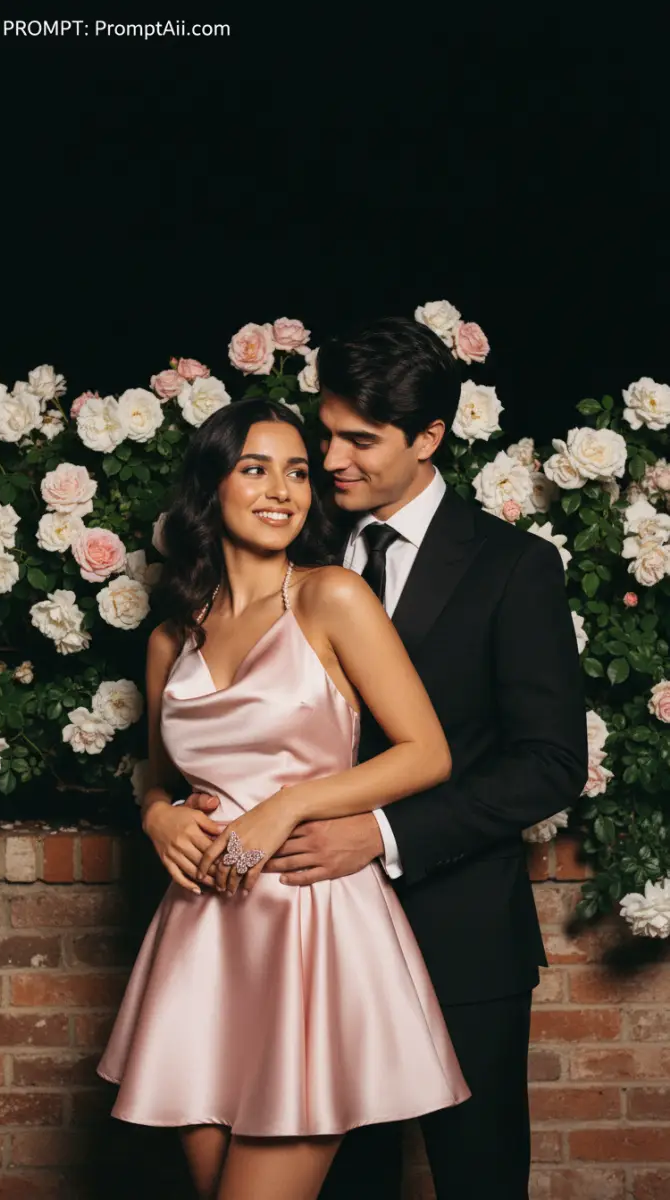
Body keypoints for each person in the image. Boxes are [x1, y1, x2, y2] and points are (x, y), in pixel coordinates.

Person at [189, 318, 589, 1199]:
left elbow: (550, 761)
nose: (331, 460)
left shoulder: (513, 567)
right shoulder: (299, 543)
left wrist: (381, 832)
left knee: (479, 1179)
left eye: (360, 441)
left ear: (429, 437)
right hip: (302, 935)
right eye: (326, 433)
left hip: (458, 934)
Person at [97, 396, 470, 1200]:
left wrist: (288, 805)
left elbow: (428, 753)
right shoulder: (171, 637)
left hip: (311, 921)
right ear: (212, 487)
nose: (283, 490)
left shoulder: (332, 597)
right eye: (256, 468)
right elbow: (160, 778)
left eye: (298, 472)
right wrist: (157, 815)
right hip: (202, 936)